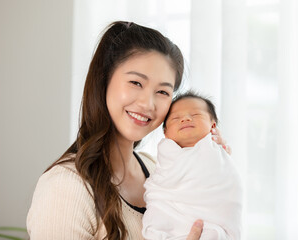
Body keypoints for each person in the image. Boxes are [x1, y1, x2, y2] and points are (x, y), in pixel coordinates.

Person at [26, 21, 229, 240]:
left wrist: (214, 166)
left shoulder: (157, 169)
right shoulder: (66, 186)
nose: (148, 103)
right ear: (104, 80)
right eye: (136, 82)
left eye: (162, 91)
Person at [142, 92, 242, 240]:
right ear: (165, 133)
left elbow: (226, 184)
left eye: (195, 114)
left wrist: (220, 155)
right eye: (176, 118)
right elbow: (161, 187)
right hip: (168, 212)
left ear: (213, 126)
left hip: (211, 222)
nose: (185, 119)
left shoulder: (216, 152)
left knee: (214, 234)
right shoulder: (165, 155)